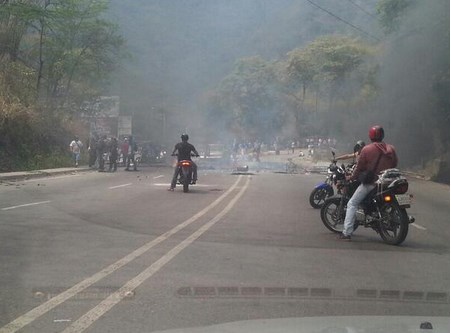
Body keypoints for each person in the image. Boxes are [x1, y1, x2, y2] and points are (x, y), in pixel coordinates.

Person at [339, 126, 398, 241]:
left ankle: (347, 233)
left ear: (370, 136)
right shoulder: (391, 148)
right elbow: (395, 163)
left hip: (372, 183)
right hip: (388, 182)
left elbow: (359, 168)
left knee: (352, 203)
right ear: (382, 135)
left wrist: (351, 177)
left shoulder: (366, 149)